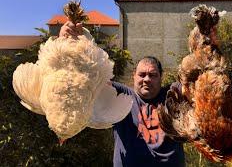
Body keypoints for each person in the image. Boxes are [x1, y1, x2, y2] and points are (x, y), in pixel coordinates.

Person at [59, 22, 185, 167]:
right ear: (134, 76)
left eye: (153, 75)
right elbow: (90, 78)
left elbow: (200, 82)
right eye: (142, 74)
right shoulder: (122, 95)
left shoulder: (172, 95)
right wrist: (67, 44)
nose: (146, 79)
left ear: (161, 77)